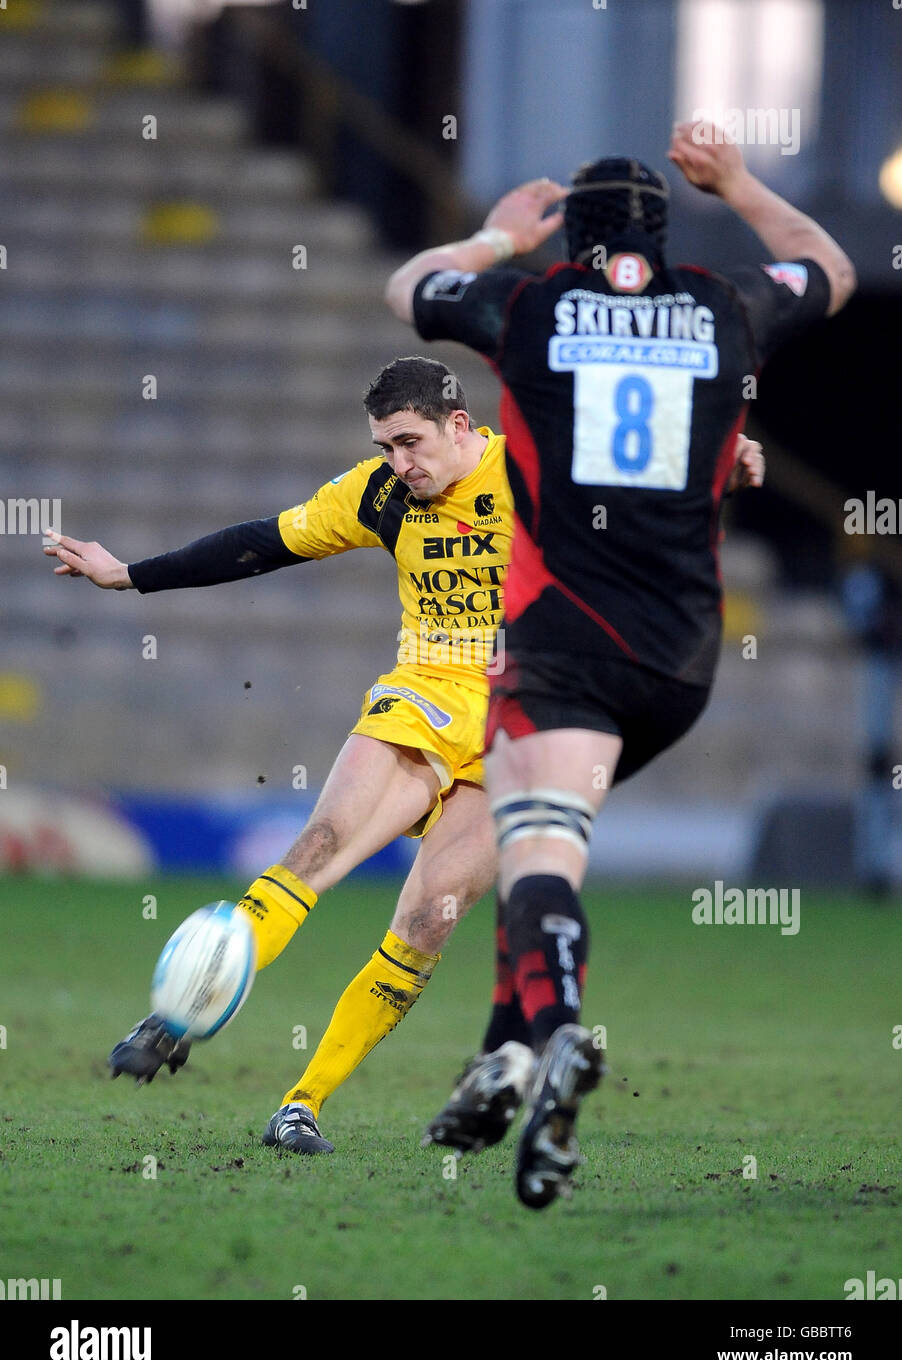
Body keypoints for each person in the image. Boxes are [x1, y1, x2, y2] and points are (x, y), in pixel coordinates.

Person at [385, 122, 855, 1208]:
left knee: (537, 846)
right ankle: (501, 1056)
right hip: (683, 659)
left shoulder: (534, 305)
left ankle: (548, 1038)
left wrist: (496, 240)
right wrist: (738, 180)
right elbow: (830, 267)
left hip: (564, 647)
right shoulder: (724, 303)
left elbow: (407, 285)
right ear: (663, 228)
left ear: (572, 242)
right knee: (537, 840)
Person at [43, 356, 512, 1154]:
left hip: (520, 729)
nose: (398, 463)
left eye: (409, 442)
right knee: (320, 849)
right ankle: (178, 1010)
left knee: (430, 918)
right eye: (384, 445)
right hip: (427, 694)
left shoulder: (531, 481)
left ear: (458, 426)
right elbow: (264, 542)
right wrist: (132, 577)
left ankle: (303, 1104)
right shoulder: (380, 494)